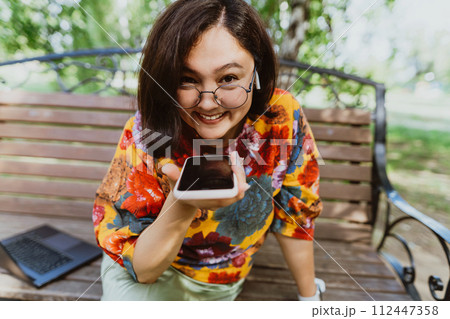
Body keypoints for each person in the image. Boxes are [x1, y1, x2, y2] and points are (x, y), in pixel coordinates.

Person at [93, 0, 324, 301]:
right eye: (187, 79)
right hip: (145, 269)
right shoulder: (145, 133)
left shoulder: (281, 118)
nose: (206, 103)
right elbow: (143, 269)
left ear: (256, 72)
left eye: (228, 79)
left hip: (218, 283)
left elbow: (296, 216)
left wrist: (310, 300)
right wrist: (181, 201)